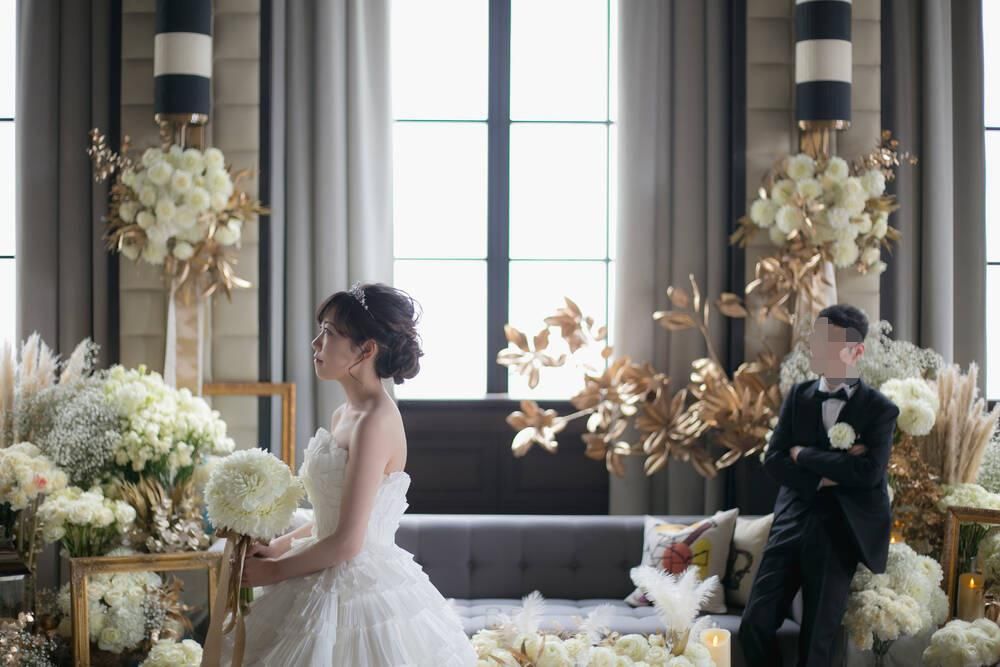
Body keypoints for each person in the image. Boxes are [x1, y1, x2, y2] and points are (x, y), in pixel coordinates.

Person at [223, 282, 477, 666]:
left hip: (359, 582)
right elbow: (334, 520)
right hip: (324, 560)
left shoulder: (375, 421)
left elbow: (348, 542)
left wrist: (274, 571)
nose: (315, 343)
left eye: (328, 332)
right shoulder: (344, 414)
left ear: (366, 349)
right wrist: (277, 547)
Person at [738, 304, 900, 667]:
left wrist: (804, 455)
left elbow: (869, 473)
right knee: (754, 624)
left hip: (840, 529)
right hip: (792, 520)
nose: (817, 347)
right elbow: (774, 460)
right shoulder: (799, 396)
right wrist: (830, 472)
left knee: (817, 645)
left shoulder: (880, 409)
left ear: (856, 351)